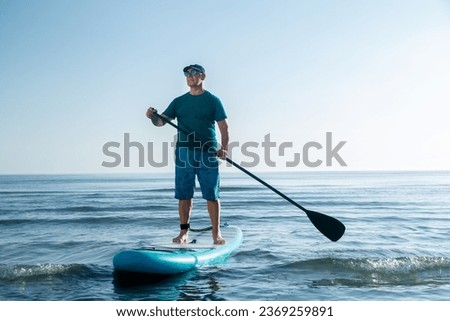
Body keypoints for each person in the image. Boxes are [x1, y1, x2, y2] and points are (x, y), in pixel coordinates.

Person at [146, 64, 229, 245]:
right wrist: (153, 116)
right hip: (184, 151)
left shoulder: (213, 100)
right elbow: (161, 122)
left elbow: (223, 126)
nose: (189, 76)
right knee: (184, 194)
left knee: (211, 194)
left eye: (193, 73)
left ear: (203, 76)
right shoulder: (179, 101)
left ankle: (216, 234)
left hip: (208, 151)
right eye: (186, 74)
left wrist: (224, 147)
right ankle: (183, 233)